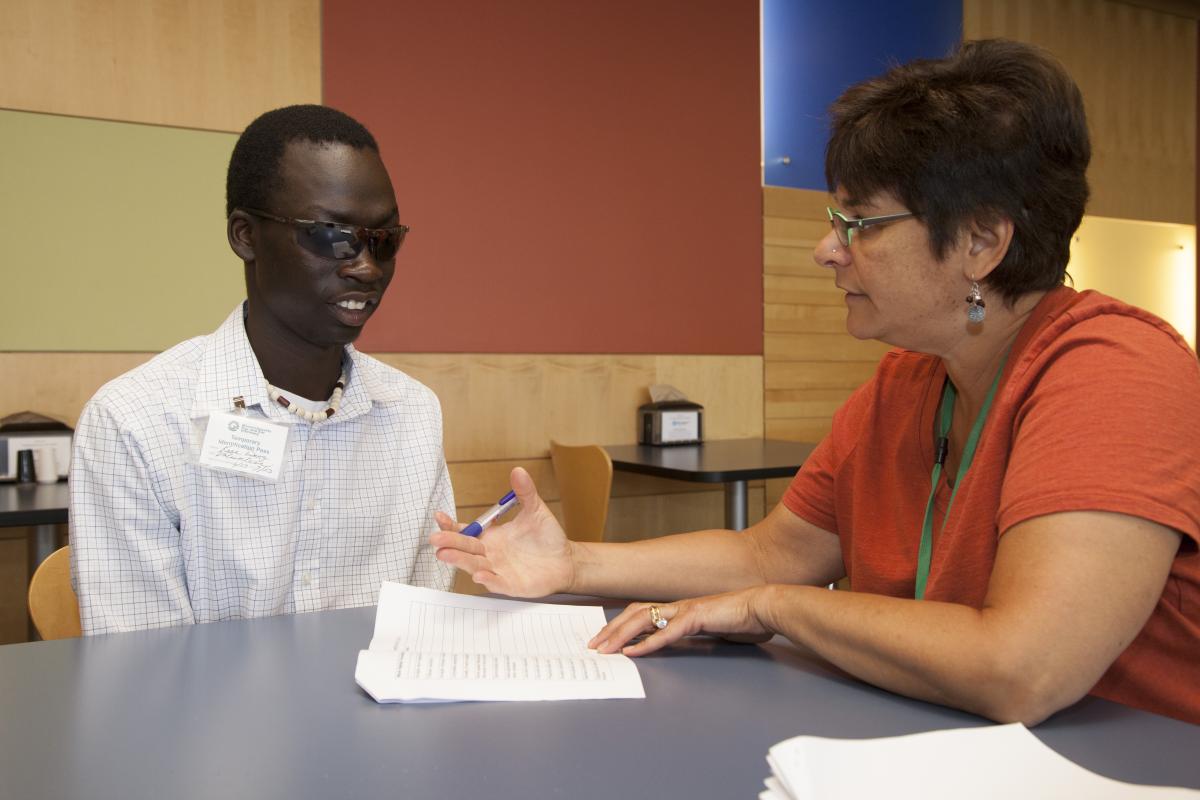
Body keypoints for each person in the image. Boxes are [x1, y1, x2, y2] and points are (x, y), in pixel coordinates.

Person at [432, 40, 1200, 725]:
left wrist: (775, 610)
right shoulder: (906, 383)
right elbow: (772, 553)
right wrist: (575, 564)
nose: (826, 252)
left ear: (980, 241)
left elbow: (1022, 668)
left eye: (859, 224)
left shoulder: (1116, 371)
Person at [71, 105, 454, 634]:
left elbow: (422, 630)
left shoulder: (412, 414)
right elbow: (143, 673)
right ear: (245, 236)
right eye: (330, 235)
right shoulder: (135, 422)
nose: (366, 266)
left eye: (383, 240)